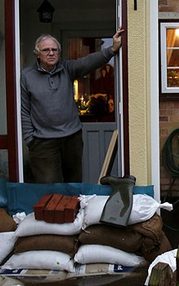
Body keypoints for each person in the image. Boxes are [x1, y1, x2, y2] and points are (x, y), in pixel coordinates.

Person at [21, 27, 124, 183]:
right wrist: (30, 139)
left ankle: (73, 209)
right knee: (50, 187)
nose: (51, 53)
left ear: (59, 52)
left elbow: (88, 62)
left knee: (74, 184)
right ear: (37, 54)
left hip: (72, 139)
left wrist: (112, 49)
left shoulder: (67, 69)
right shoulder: (27, 76)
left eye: (54, 50)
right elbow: (23, 109)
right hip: (43, 142)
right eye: (46, 50)